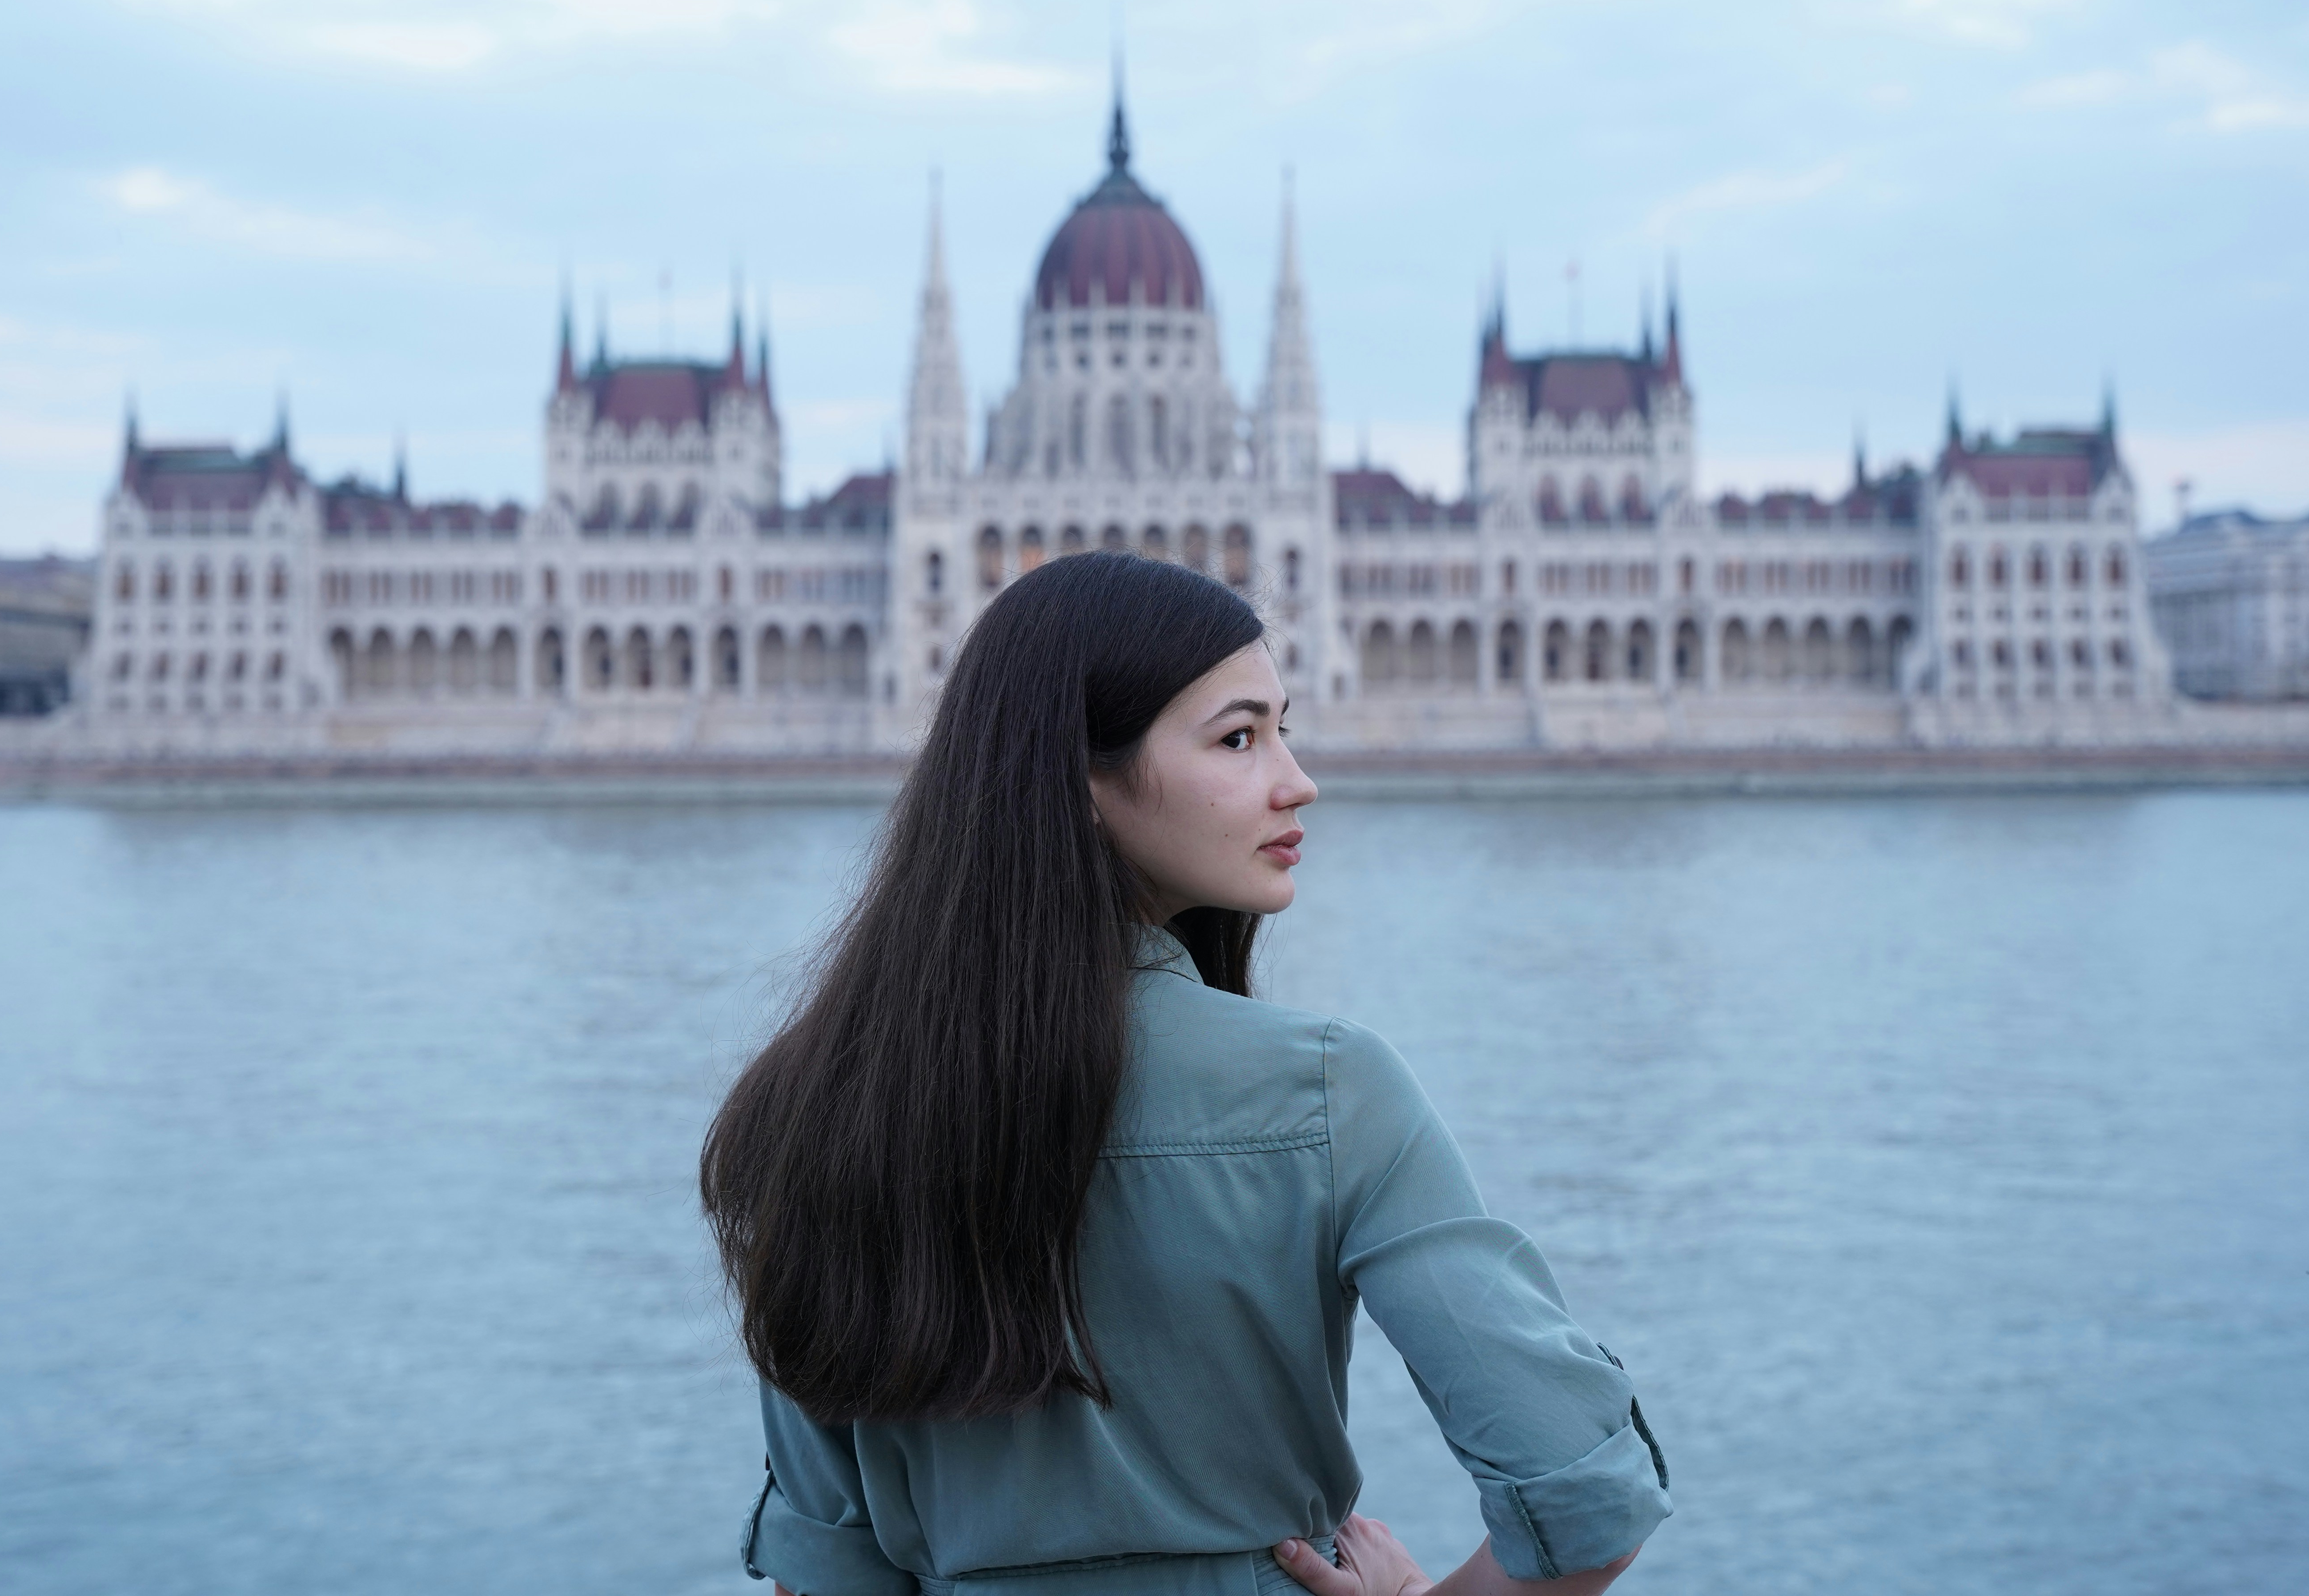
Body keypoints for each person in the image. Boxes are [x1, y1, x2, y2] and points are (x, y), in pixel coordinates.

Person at [702, 551, 1670, 1596]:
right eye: (1240, 737)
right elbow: (1587, 1494)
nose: (1298, 779)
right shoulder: (1329, 1092)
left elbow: (826, 1570)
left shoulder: (817, 1111)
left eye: (1283, 730)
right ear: (1080, 781)